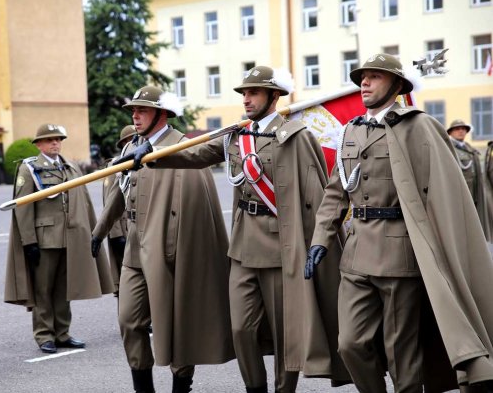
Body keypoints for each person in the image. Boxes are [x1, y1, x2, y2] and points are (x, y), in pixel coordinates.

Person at [139, 67, 349, 393]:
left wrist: (319, 241)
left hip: (282, 247)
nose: (246, 99)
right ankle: (255, 387)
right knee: (241, 328)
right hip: (242, 246)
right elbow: (195, 154)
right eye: (244, 94)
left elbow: (317, 195)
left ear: (274, 96)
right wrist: (152, 154)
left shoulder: (295, 136)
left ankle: (283, 389)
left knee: (284, 334)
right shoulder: (237, 135)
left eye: (253, 93)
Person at [305, 53, 493, 392]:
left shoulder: (417, 126)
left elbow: (442, 192)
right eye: (363, 76)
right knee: (350, 344)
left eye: (374, 76)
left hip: (399, 256)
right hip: (356, 255)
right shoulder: (351, 131)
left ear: (396, 85)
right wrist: (321, 238)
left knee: (401, 353)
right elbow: (337, 191)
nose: (364, 82)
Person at [91, 86, 234, 393]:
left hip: (170, 251)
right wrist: (100, 229)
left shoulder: (181, 146)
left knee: (176, 324)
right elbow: (119, 187)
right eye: (133, 110)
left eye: (141, 110)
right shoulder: (133, 144)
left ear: (162, 113)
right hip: (134, 251)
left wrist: (178, 248)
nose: (135, 115)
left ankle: (181, 386)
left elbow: (192, 203)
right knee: (130, 322)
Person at [4, 123, 113, 354]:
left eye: (58, 139)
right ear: (39, 144)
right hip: (45, 239)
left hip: (70, 237)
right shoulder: (30, 169)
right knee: (43, 289)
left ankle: (62, 333)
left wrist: (89, 232)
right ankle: (45, 335)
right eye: (50, 139)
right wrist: (29, 241)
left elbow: (83, 202)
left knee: (65, 288)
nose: (55, 143)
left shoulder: (70, 167)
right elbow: (22, 207)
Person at [98, 125, 136, 299]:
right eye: (132, 139)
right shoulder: (115, 166)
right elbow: (109, 202)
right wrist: (115, 235)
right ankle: (127, 321)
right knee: (124, 279)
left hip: (136, 229)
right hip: (121, 231)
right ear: (125, 143)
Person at [447, 119, 492, 240]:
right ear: (450, 132)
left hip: (474, 194)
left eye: (463, 129)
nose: (461, 131)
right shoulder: (448, 149)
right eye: (457, 129)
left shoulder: (469, 149)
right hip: (458, 195)